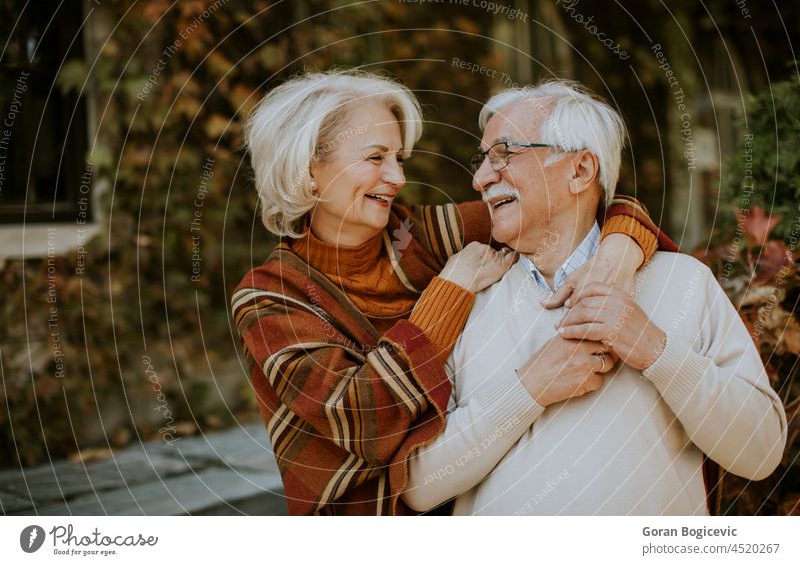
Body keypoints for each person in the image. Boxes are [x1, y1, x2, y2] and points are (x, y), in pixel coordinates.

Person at [231, 70, 669, 515]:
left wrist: (616, 254)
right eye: (376, 157)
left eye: (399, 158)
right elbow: (364, 418)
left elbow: (570, 199)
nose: (397, 177)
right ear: (309, 169)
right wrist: (449, 291)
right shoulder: (269, 297)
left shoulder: (419, 236)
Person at [402, 79, 787, 515]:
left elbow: (761, 452)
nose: (479, 178)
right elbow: (418, 485)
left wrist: (653, 349)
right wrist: (529, 389)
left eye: (503, 155)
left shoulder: (683, 283)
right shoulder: (468, 299)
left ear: (580, 170)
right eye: (482, 161)